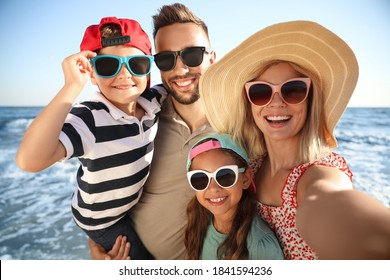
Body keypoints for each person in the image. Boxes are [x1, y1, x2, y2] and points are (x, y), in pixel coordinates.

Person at [200, 20, 390, 259]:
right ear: (248, 104)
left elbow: (332, 206)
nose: (276, 102)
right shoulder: (252, 166)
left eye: (293, 90)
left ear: (311, 100)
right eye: (261, 92)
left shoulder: (319, 176)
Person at [15, 17, 166, 259]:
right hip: (102, 219)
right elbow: (29, 161)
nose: (125, 74)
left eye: (136, 63)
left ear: (149, 69)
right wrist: (71, 87)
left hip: (127, 205)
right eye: (108, 65)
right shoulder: (89, 118)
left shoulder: (152, 100)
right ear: (93, 75)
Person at [88, 3, 216, 259]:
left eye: (192, 55)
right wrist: (98, 244)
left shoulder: (241, 120)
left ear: (212, 58)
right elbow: (98, 188)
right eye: (166, 58)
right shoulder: (141, 120)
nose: (180, 70)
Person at [185, 133, 283, 260]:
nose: (214, 188)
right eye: (200, 178)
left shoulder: (260, 246)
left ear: (246, 179)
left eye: (225, 176)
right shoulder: (200, 223)